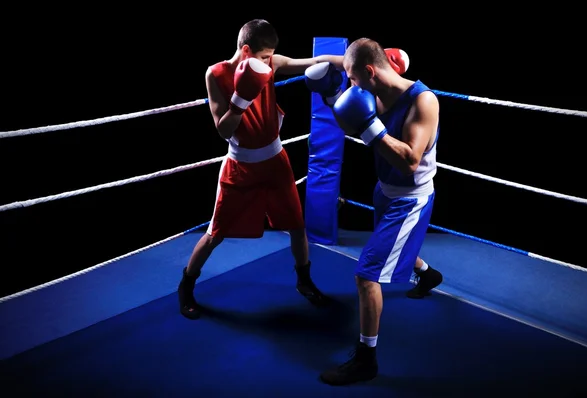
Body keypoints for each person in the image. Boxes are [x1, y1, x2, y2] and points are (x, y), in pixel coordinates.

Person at [177, 19, 345, 320]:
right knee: (215, 234)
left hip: (275, 162)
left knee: (296, 226)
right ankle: (186, 284)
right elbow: (224, 130)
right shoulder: (216, 74)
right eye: (265, 56)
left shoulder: (272, 64)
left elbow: (317, 60)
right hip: (240, 166)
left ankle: (304, 281)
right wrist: (242, 99)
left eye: (271, 56)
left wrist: (359, 61)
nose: (269, 63)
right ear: (246, 50)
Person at [318, 38, 444, 385]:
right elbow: (351, 116)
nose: (351, 85)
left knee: (366, 275)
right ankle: (428, 274)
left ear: (370, 72)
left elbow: (409, 161)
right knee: (393, 247)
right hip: (384, 190)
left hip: (410, 198)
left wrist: (369, 126)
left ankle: (366, 359)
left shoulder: (423, 101)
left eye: (352, 79)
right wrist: (330, 97)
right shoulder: (371, 88)